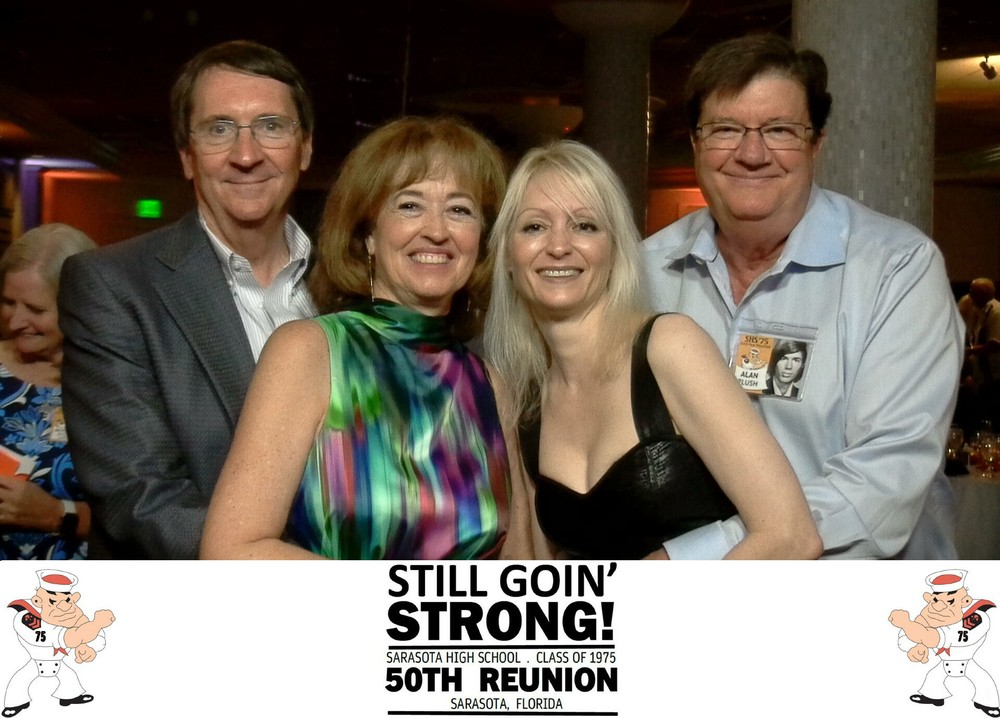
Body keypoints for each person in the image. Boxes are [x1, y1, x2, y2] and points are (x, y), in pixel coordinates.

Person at [642, 34, 964, 559]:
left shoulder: (897, 270)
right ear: (696, 144)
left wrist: (693, 560)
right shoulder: (644, 273)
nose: (752, 154)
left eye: (780, 130)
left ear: (817, 144)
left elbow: (883, 477)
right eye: (726, 129)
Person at [483, 139, 821, 560]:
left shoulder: (669, 347)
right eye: (534, 227)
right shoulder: (527, 402)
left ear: (615, 251)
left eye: (585, 226)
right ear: (507, 256)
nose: (559, 246)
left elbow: (791, 535)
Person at [200, 115, 511, 560]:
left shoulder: (489, 385)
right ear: (368, 235)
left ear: (480, 239)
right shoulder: (308, 352)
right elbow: (231, 551)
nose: (437, 231)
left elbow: (520, 565)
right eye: (410, 206)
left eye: (459, 210)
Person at [57, 40, 316, 559]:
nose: (246, 155)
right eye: (219, 129)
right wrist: (319, 579)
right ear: (186, 156)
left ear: (305, 149)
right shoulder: (112, 285)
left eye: (271, 126)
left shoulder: (351, 285)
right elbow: (140, 497)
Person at [0, 224, 95, 560]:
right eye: (8, 302)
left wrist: (55, 514)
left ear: (78, 307)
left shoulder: (112, 386)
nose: (14, 322)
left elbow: (142, 516)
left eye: (35, 310)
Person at [4, 569, 114, 717]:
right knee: (21, 679)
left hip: (59, 660)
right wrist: (96, 624)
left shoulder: (72, 612)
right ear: (38, 601)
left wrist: (88, 647)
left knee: (68, 676)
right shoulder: (27, 617)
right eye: (53, 601)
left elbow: (94, 636)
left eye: (67, 601)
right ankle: (14, 704)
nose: (64, 607)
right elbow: (67, 637)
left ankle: (70, 696)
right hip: (37, 660)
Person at [890, 569, 998, 715]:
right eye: (935, 601)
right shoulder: (931, 613)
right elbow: (909, 636)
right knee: (934, 676)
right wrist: (914, 647)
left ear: (964, 601)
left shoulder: (976, 618)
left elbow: (934, 637)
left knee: (982, 680)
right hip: (944, 660)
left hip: (966, 661)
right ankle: (933, 696)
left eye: (949, 601)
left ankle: (989, 704)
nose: (939, 607)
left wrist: (906, 624)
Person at [964, 278, 1000, 431]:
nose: (970, 296)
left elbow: (995, 343)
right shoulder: (984, 312)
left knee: (992, 422)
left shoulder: (996, 311)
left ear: (983, 293)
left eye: (973, 292)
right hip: (984, 379)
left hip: (995, 378)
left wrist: (970, 350)